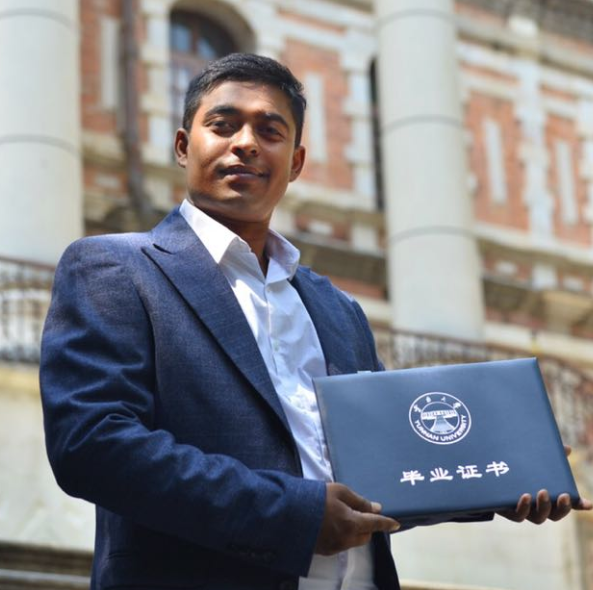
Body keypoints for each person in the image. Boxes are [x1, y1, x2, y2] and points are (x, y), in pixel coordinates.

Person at [40, 53, 591, 590]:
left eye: (270, 131)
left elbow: (384, 471)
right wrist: (294, 515)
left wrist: (500, 479)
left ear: (296, 162)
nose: (246, 143)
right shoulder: (116, 268)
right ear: (184, 147)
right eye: (223, 125)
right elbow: (93, 445)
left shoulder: (338, 309)